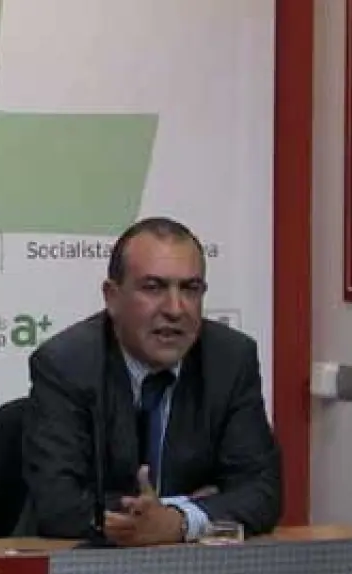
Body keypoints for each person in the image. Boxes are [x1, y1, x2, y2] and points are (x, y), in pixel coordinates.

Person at [22, 217, 281, 546]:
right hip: (86, 562)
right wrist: (182, 512)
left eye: (190, 289)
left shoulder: (230, 360)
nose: (175, 309)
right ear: (112, 297)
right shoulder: (66, 364)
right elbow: (58, 505)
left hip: (196, 568)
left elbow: (262, 492)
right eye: (153, 287)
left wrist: (177, 520)